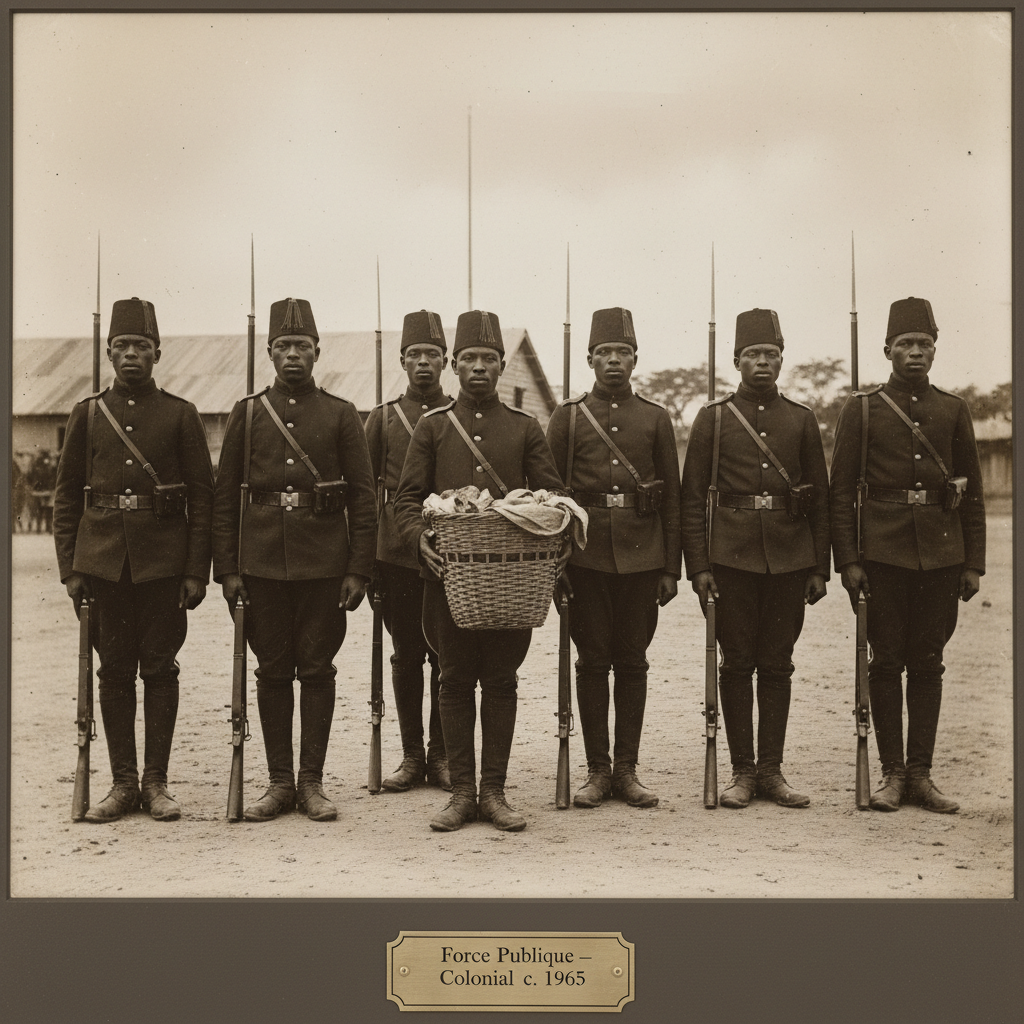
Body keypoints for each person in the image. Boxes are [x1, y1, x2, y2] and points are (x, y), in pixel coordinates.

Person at [393, 309, 565, 833]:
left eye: (488, 360)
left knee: (501, 682)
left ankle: (494, 792)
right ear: (454, 365)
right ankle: (462, 793)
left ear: (500, 366)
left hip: (510, 583)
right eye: (469, 359)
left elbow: (555, 497)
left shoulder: (526, 428)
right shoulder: (433, 427)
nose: (479, 369)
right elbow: (404, 501)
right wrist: (419, 539)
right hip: (448, 580)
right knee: (452, 679)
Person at [212, 297, 377, 823]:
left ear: (317, 352)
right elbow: (222, 499)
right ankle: (279, 781)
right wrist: (229, 569)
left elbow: (364, 499)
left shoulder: (341, 414)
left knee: (317, 668)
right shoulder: (247, 413)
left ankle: (311, 783)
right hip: (260, 564)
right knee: (272, 670)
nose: (291, 355)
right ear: (268, 352)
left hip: (325, 566)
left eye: (301, 346)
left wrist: (358, 569)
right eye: (282, 346)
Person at [53, 296, 214, 823]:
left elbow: (203, 497)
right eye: (121, 346)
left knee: (160, 670)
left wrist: (195, 570)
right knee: (114, 671)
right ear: (107, 352)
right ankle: (122, 784)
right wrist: (71, 568)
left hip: (163, 566)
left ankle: (156, 783)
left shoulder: (181, 414)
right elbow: (65, 497)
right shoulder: (87, 414)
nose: (130, 355)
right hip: (102, 565)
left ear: (157, 352)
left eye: (140, 346)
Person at [829, 297, 985, 813]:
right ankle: (892, 773)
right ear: (887, 350)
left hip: (941, 557)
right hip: (881, 556)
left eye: (924, 345)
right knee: (886, 661)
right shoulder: (864, 408)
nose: (915, 353)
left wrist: (972, 562)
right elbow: (841, 490)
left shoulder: (953, 408)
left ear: (935, 351)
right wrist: (849, 561)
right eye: (905, 345)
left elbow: (974, 493)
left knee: (928, 663)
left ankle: (921, 774)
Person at [681, 308, 829, 809]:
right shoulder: (714, 418)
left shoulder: (802, 419)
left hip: (790, 559)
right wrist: (699, 568)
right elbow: (691, 498)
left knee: (778, 665)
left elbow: (822, 499)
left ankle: (771, 771)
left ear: (782, 360)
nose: (762, 363)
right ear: (736, 361)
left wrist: (817, 567)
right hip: (730, 560)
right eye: (752, 355)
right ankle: (742, 772)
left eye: (770, 355)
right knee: (736, 663)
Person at [545, 307, 681, 809]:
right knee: (592, 661)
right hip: (585, 559)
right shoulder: (568, 416)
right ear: (589, 359)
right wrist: (555, 566)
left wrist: (671, 568)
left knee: (633, 662)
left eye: (623, 352)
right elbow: (551, 495)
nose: (614, 361)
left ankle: (627, 770)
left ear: (635, 358)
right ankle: (597, 770)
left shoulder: (655, 417)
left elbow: (672, 495)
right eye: (604, 353)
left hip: (643, 560)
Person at [364, 310, 454, 792]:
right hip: (396, 555)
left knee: (446, 655)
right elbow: (364, 492)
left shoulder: (456, 415)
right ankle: (411, 755)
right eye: (415, 355)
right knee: (405, 655)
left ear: (446, 362)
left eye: (433, 355)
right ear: (402, 361)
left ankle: (441, 756)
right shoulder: (382, 419)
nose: (424, 363)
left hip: (449, 555)